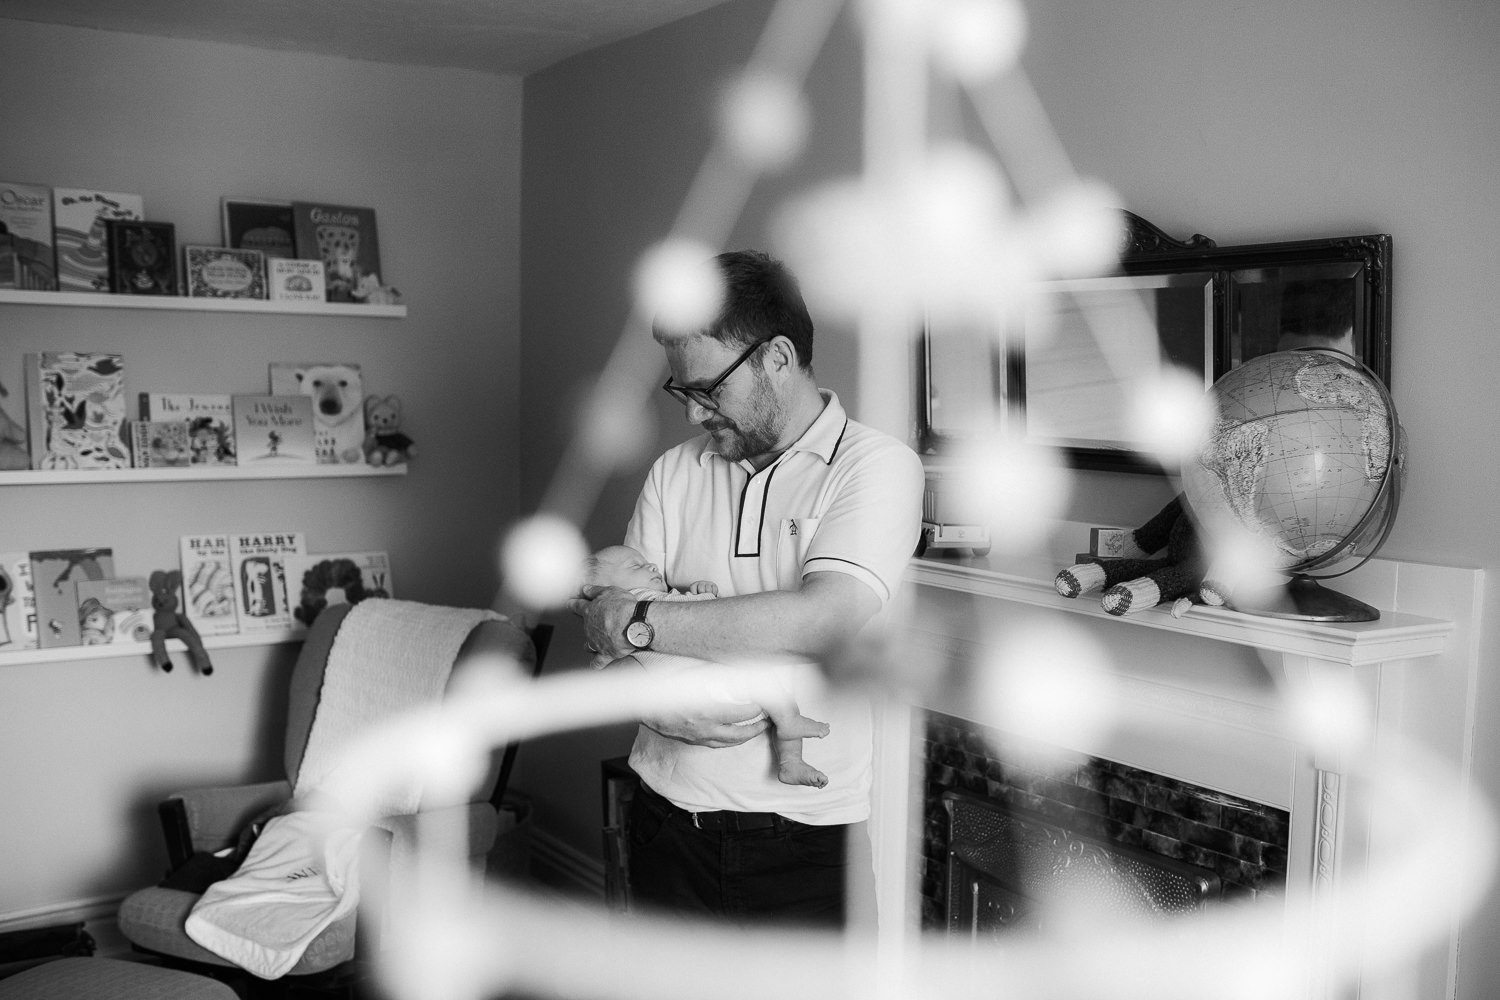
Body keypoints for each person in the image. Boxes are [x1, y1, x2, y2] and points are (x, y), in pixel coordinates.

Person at [569, 249, 925, 927]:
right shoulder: (676, 472)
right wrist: (637, 657)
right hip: (665, 818)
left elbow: (823, 618)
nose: (694, 415)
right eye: (684, 393)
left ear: (779, 358)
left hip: (801, 838)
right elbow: (608, 641)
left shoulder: (875, 468)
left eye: (709, 389)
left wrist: (640, 620)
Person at [584, 543, 833, 788]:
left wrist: (698, 595)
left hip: (712, 700)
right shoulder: (637, 606)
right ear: (607, 591)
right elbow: (706, 620)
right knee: (776, 693)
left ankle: (791, 761)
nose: (651, 565)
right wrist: (705, 597)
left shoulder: (655, 604)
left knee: (773, 689)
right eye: (636, 565)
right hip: (715, 696)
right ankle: (790, 750)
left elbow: (698, 622)